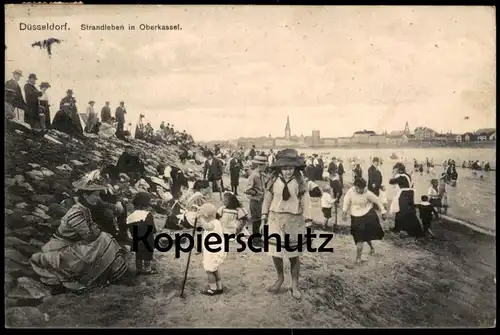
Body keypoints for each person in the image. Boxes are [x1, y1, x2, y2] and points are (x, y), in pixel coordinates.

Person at [29, 176, 129, 293]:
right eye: (96, 195)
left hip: (73, 243)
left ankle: (114, 271)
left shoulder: (85, 208)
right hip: (61, 248)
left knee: (104, 238)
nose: (98, 198)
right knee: (104, 239)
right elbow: (89, 236)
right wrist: (96, 231)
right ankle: (109, 273)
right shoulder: (76, 213)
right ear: (86, 196)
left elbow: (93, 228)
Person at [261, 149, 312, 300]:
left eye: (290, 168)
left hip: (294, 220)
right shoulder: (273, 181)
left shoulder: (301, 182)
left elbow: (306, 203)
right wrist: (263, 218)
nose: (287, 172)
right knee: (275, 252)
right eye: (284, 168)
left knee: (293, 255)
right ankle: (280, 278)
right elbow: (267, 200)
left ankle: (294, 285)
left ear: (295, 168)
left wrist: (308, 222)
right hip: (275, 219)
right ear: (279, 168)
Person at [197, 203, 228, 296]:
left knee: (209, 270)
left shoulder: (212, 224)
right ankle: (219, 287)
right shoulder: (216, 222)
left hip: (212, 251)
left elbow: (207, 227)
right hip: (215, 250)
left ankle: (212, 289)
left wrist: (200, 219)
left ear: (205, 215)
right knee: (215, 269)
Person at [389, 163, 425, 239]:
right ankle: (397, 228)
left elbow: (391, 182)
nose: (395, 171)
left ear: (398, 170)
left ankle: (414, 232)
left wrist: (394, 173)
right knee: (400, 211)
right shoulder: (407, 175)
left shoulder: (401, 176)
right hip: (410, 194)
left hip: (404, 195)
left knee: (405, 213)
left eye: (396, 169)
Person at [126, 192, 157, 275]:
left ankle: (138, 269)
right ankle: (147, 269)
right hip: (147, 239)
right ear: (146, 205)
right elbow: (152, 229)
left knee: (138, 255)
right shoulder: (148, 215)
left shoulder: (131, 216)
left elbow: (130, 228)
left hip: (136, 238)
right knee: (147, 254)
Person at [244, 155, 268, 247]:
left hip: (261, 201)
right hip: (255, 201)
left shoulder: (261, 175)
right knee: (256, 220)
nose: (265, 166)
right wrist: (257, 193)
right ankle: (255, 240)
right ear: (260, 165)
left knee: (260, 219)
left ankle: (258, 239)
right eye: (264, 165)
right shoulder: (253, 176)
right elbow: (247, 190)